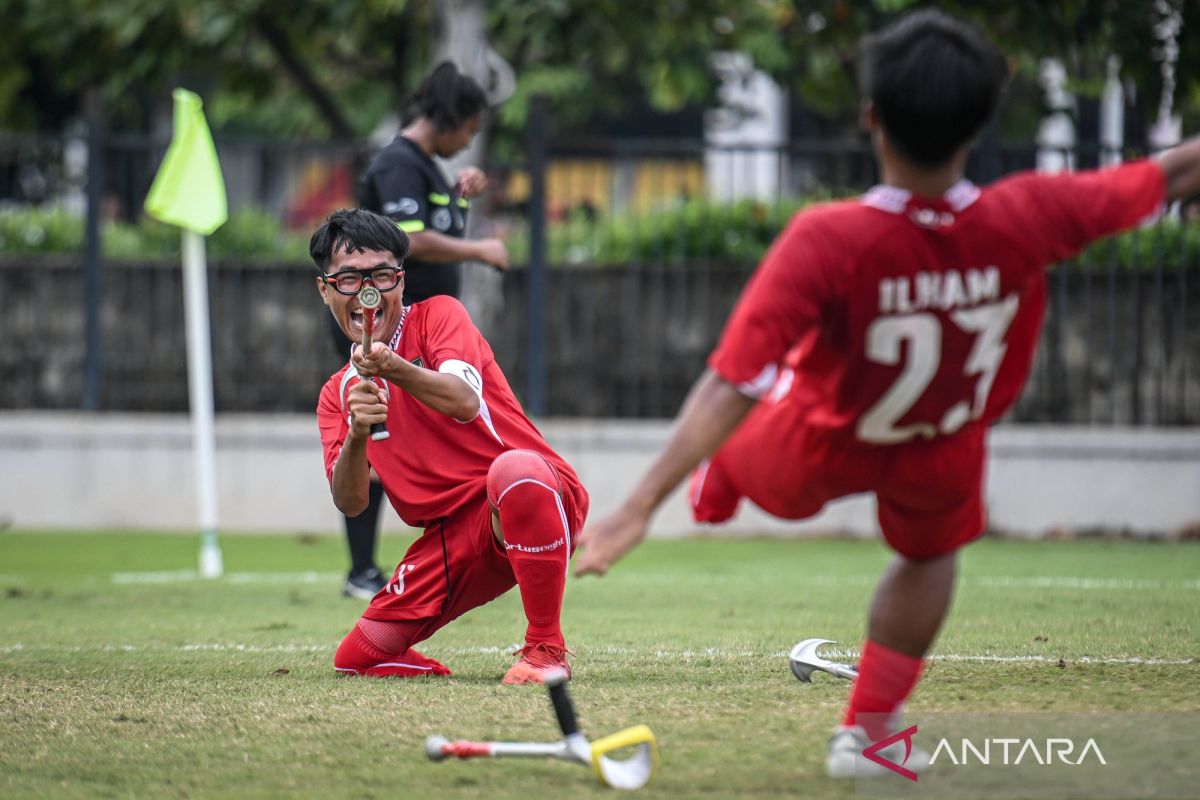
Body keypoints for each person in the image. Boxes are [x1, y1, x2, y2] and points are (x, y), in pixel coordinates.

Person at [574, 9, 1200, 778]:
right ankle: (869, 733)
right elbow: (1172, 173)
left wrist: (638, 506)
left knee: (792, 469)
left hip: (819, 439)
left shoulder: (829, 238)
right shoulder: (1030, 214)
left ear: (871, 116)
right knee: (932, 556)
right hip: (941, 433)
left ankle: (732, 483)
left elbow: (733, 379)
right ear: (979, 121)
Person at [313, 208, 586, 685]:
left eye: (381, 274)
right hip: (450, 538)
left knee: (515, 469)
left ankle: (546, 648)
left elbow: (463, 400)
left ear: (400, 280)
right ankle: (429, 668)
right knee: (356, 657)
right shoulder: (337, 393)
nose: (366, 292)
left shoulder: (440, 315)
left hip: (530, 498)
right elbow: (352, 501)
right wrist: (358, 432)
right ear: (325, 288)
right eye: (350, 278)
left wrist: (391, 368)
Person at [336, 61, 511, 599]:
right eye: (470, 129)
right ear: (453, 118)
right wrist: (480, 248)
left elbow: (427, 226)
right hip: (383, 324)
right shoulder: (398, 163)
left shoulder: (428, 168)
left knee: (419, 432)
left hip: (420, 326)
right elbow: (408, 239)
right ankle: (362, 570)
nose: (469, 140)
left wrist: (459, 196)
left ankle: (436, 554)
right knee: (375, 435)